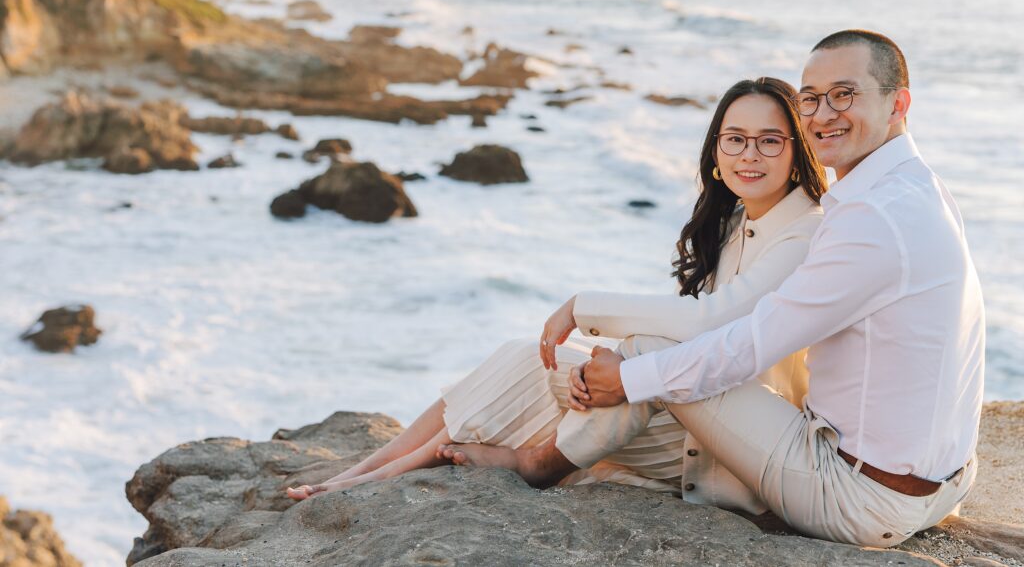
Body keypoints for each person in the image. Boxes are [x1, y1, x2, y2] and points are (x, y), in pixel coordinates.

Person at [438, 30, 985, 549]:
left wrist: (628, 377)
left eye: (845, 95)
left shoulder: (871, 219)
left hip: (859, 498)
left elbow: (750, 343)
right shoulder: (917, 189)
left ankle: (537, 465)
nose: (822, 114)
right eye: (813, 99)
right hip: (939, 483)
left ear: (898, 103)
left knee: (655, 355)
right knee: (653, 358)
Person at [287, 76, 828, 511]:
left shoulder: (805, 231)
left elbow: (713, 319)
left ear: (796, 148)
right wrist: (610, 366)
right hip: (685, 402)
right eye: (734, 138)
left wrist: (583, 308)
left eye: (769, 140)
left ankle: (372, 481)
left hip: (730, 444)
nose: (749, 154)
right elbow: (687, 331)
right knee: (525, 359)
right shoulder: (739, 219)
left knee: (533, 385)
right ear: (716, 149)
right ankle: (363, 472)